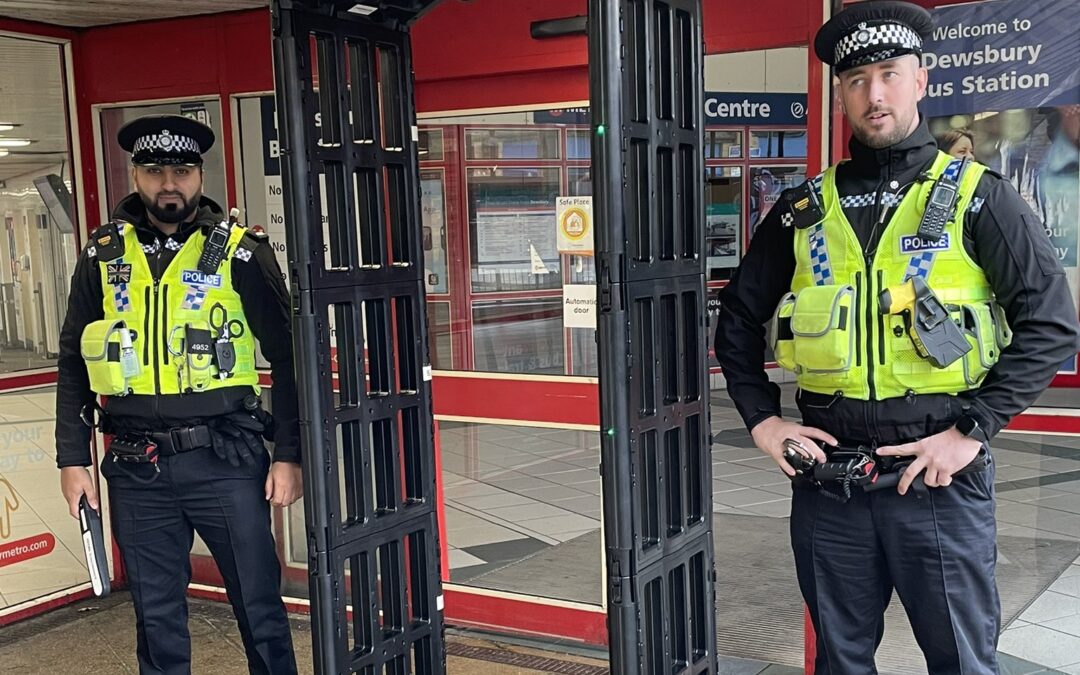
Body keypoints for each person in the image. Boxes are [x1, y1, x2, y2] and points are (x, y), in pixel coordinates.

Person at [714, 2, 1080, 673]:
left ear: (921, 80)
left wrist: (972, 429)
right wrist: (763, 422)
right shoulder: (804, 210)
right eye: (856, 80)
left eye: (888, 73)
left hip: (938, 480)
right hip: (830, 486)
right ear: (841, 94)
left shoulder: (978, 197)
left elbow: (1052, 324)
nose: (873, 93)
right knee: (841, 661)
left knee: (963, 661)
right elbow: (736, 318)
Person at [55, 114, 302, 675]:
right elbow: (73, 360)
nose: (170, 182)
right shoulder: (103, 256)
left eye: (182, 170)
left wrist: (289, 454)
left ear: (200, 174)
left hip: (225, 459)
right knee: (156, 615)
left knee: (259, 606)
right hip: (136, 466)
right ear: (136, 174)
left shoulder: (240, 252)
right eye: (155, 169)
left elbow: (289, 358)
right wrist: (73, 460)